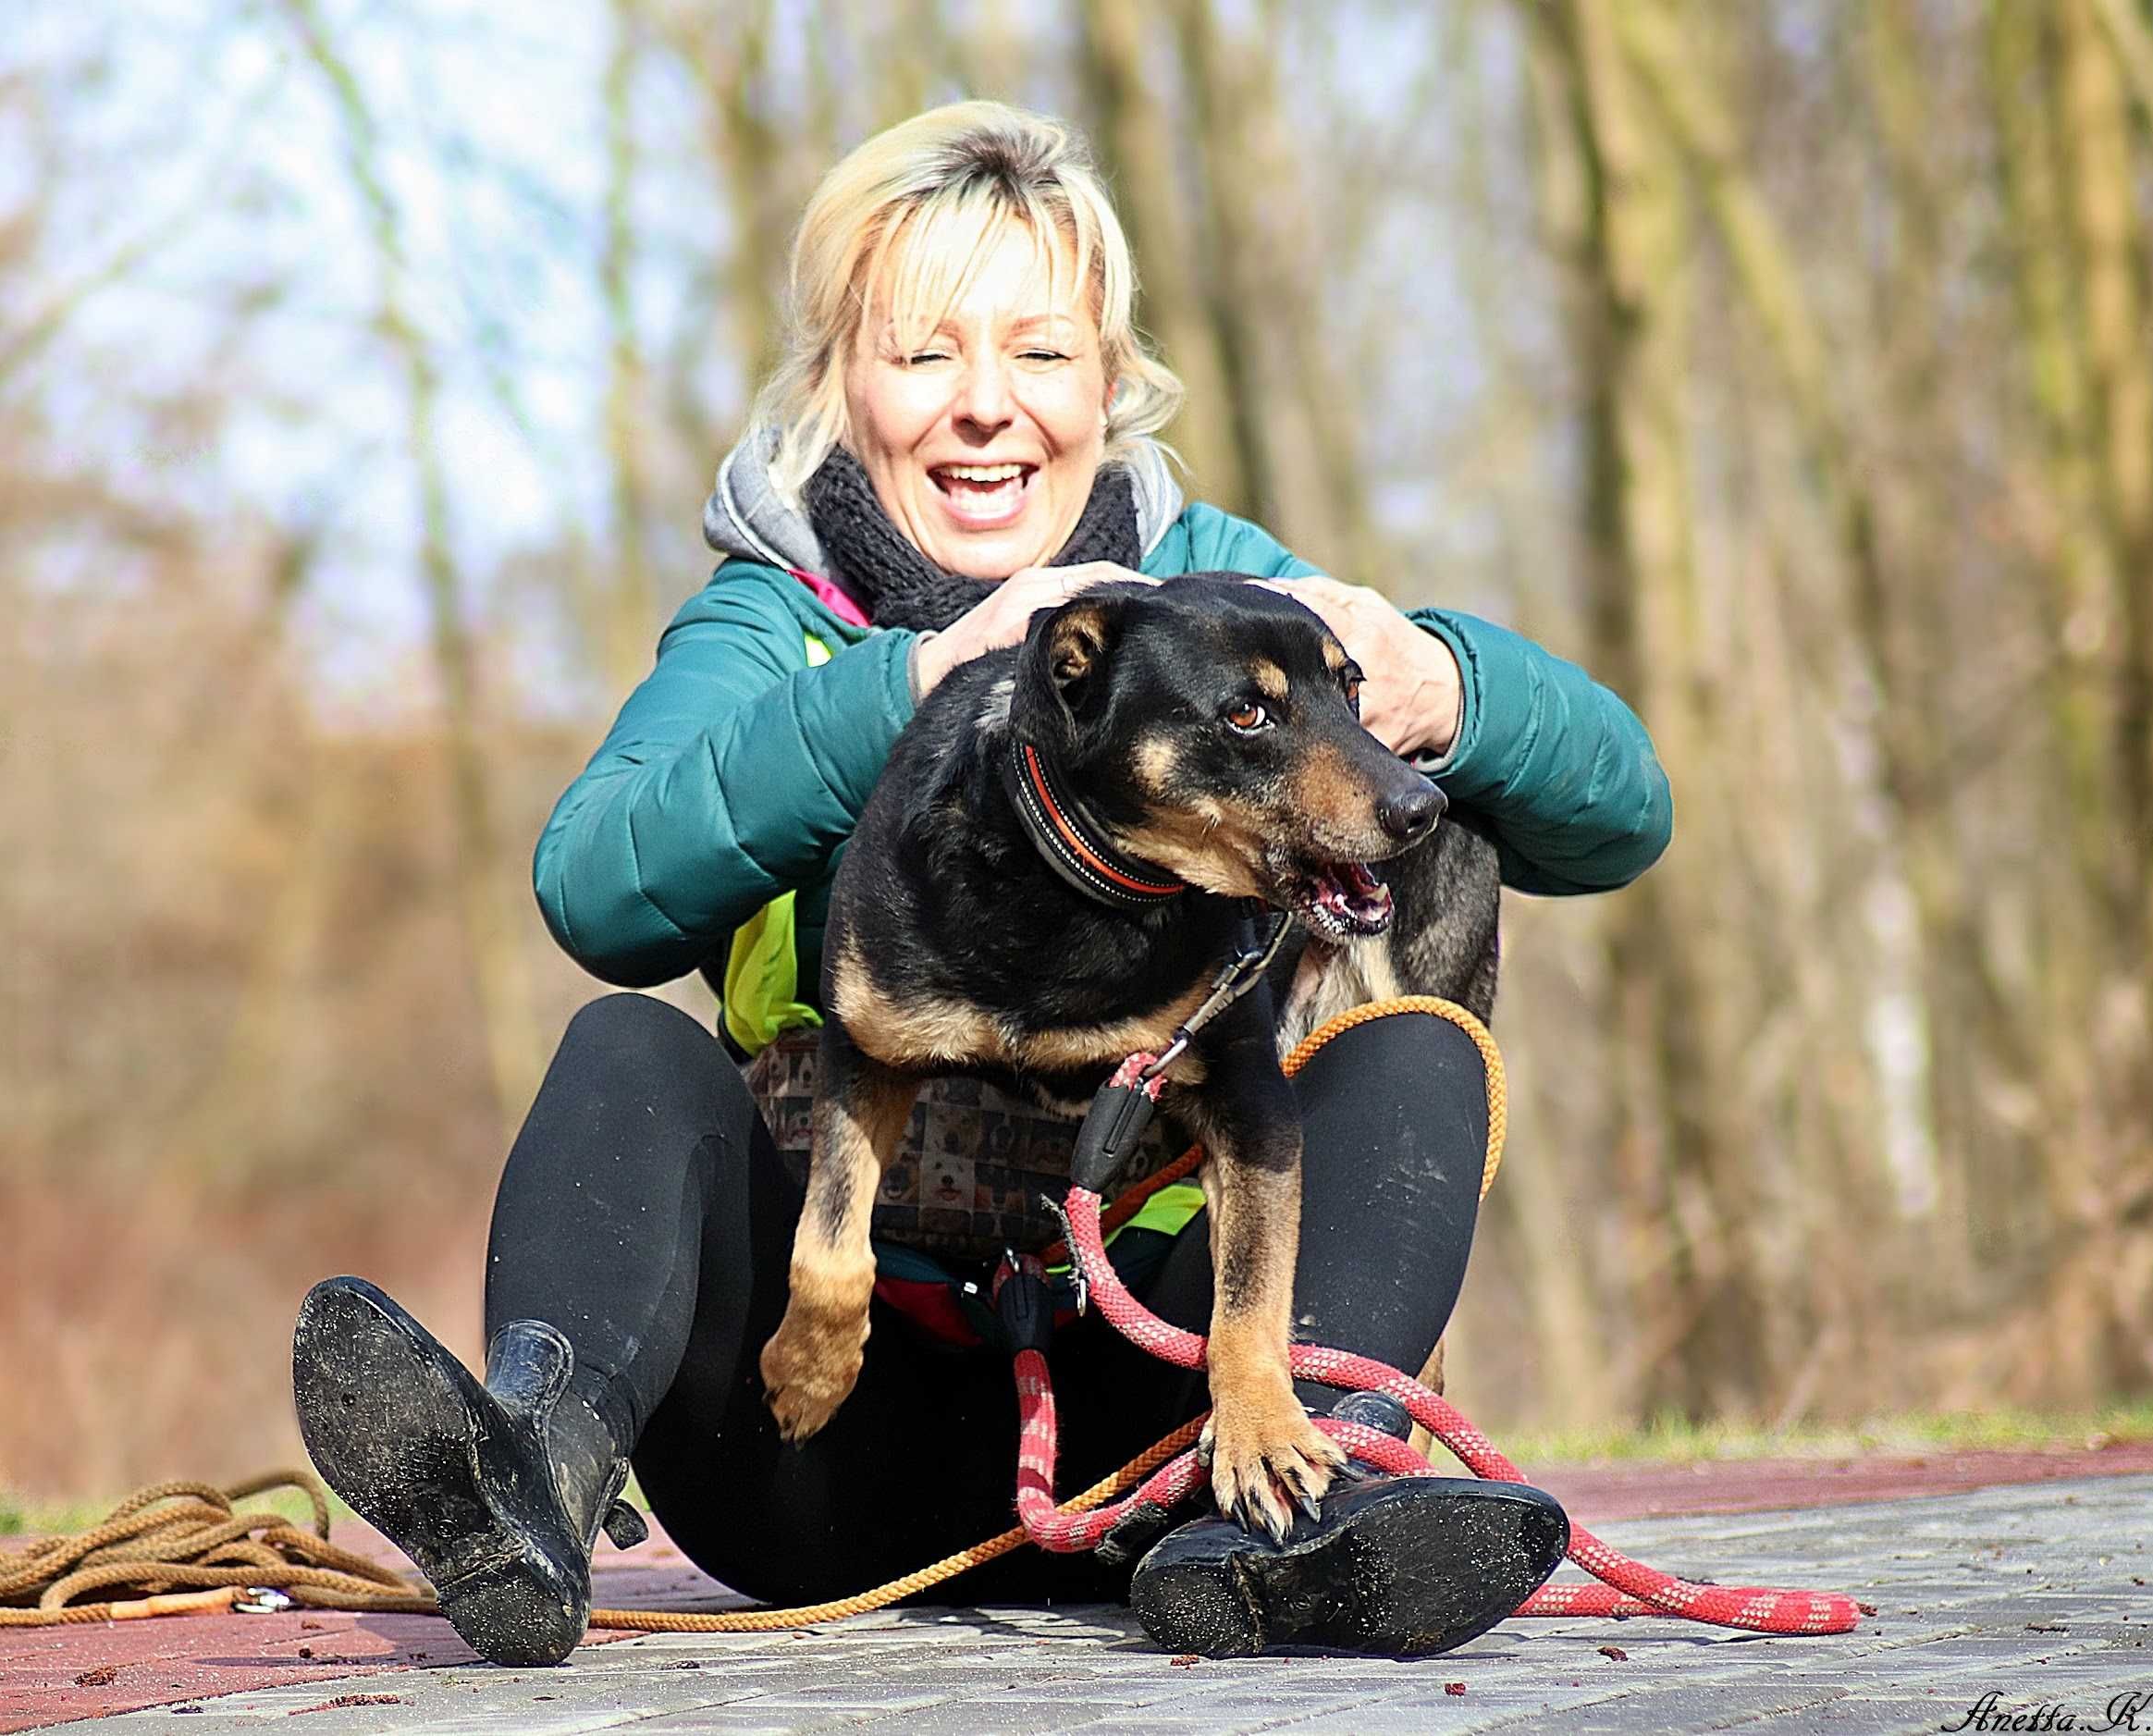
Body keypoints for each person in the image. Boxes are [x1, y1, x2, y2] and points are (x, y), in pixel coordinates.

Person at [291, 101, 1671, 1668]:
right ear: (839, 384)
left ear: (1109, 382)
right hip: (807, 1438)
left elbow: (1617, 817)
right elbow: (593, 889)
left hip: (1155, 1434)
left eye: (1040, 352)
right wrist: (904, 686)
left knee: (1414, 1057)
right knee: (624, 1049)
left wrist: (1447, 680)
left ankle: (1305, 1506)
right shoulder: (773, 622)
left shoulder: (1227, 599)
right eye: (925, 352)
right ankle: (523, 1474)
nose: (985, 409)